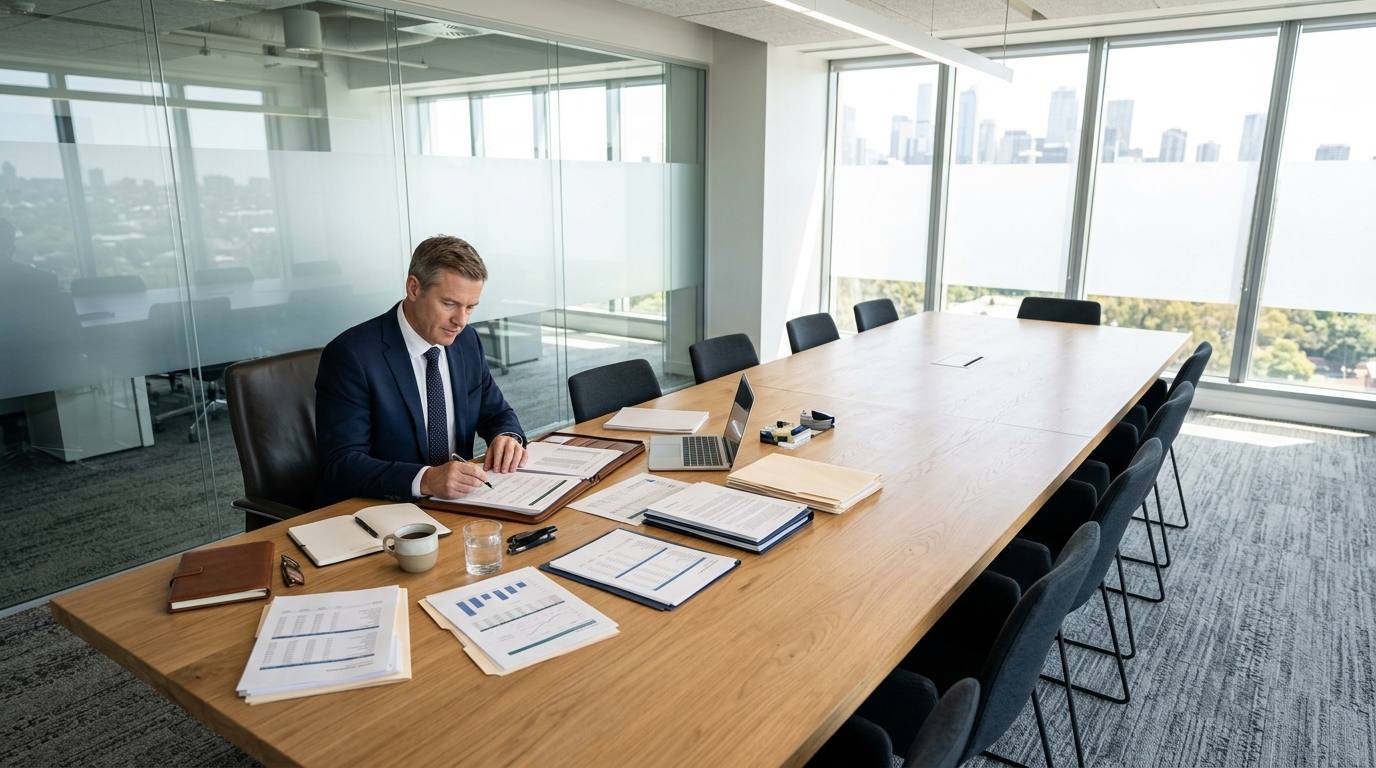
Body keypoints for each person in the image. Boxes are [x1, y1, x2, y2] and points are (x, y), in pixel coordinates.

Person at [315, 236, 527, 506]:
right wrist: (426, 480)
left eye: (470, 307)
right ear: (414, 288)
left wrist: (507, 436)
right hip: (382, 510)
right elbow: (341, 464)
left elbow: (497, 412)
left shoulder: (467, 342)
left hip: (457, 505)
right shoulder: (352, 356)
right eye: (449, 304)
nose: (460, 321)